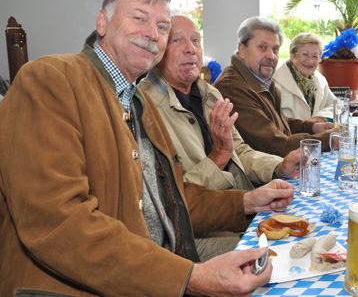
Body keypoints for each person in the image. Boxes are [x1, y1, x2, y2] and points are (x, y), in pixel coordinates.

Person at [0, 0, 294, 297]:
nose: (153, 34)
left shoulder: (139, 103)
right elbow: (58, 224)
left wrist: (247, 201)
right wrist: (189, 278)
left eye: (162, 26)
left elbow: (176, 199)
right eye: (140, 18)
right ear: (102, 22)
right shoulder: (50, 79)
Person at [139, 15, 300, 261]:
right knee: (281, 256)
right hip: (190, 240)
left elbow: (241, 151)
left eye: (195, 40)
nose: (191, 49)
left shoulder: (209, 93)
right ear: (158, 49)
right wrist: (217, 158)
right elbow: (170, 201)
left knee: (304, 233)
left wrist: (278, 167)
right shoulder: (145, 108)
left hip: (236, 214)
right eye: (177, 41)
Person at [214, 16, 336, 157]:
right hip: (256, 177)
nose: (271, 56)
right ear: (242, 49)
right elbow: (273, 145)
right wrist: (329, 139)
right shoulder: (233, 87)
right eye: (262, 47)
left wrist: (312, 127)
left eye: (275, 49)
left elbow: (279, 125)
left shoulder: (260, 80)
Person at [273, 32, 336, 122]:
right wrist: (307, 126)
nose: (310, 60)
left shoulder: (320, 80)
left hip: (315, 135)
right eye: (305, 54)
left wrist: (319, 118)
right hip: (289, 135)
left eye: (315, 56)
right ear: (292, 55)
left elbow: (335, 105)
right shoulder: (273, 81)